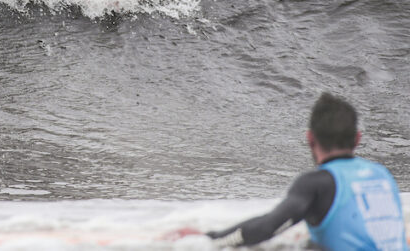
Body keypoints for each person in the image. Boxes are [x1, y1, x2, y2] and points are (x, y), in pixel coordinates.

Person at [173, 93, 408, 249]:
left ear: (310, 138)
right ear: (357, 139)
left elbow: (266, 228)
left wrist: (208, 239)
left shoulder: (318, 183)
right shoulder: (382, 175)